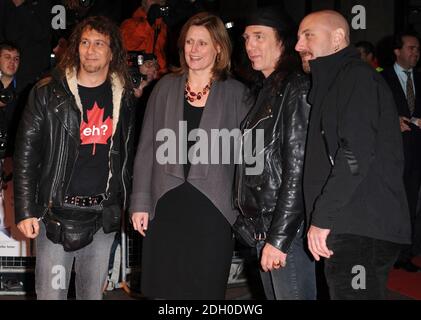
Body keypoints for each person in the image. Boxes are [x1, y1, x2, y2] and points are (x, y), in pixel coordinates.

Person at [13, 16, 141, 300]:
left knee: (91, 297)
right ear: (76, 47)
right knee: (50, 296)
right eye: (84, 42)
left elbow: (130, 157)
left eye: (99, 43)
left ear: (112, 52)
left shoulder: (124, 96)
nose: (90, 50)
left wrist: (132, 204)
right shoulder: (47, 92)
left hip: (101, 216)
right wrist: (24, 211)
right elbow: (26, 154)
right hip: (54, 215)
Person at [130, 12, 250, 299]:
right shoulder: (164, 88)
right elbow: (146, 148)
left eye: (203, 43)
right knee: (164, 290)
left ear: (219, 48)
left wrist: (247, 211)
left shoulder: (238, 94)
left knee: (205, 291)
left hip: (214, 208)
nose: (194, 50)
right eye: (189, 42)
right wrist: (139, 203)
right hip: (166, 203)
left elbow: (249, 158)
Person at [295, 10, 411, 299]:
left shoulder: (356, 78)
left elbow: (355, 154)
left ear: (337, 38)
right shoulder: (334, 82)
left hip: (359, 228)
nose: (298, 45)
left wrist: (321, 218)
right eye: (298, 37)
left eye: (308, 35)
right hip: (350, 226)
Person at [233, 7, 316, 300]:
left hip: (284, 232)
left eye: (259, 36)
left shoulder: (295, 87)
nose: (250, 45)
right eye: (246, 38)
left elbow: (298, 170)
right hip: (265, 229)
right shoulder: (268, 89)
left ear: (283, 41)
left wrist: (279, 239)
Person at [382, 32, 421, 272]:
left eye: (418, 49)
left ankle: (405, 253)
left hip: (417, 153)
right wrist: (391, 121)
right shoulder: (381, 78)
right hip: (393, 153)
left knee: (412, 204)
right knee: (394, 204)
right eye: (411, 48)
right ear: (397, 51)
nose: (415, 53)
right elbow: (371, 110)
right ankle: (390, 252)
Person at [120, 0, 167, 77]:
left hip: (155, 78)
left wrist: (161, 73)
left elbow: (162, 56)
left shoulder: (163, 27)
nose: (157, 3)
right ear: (143, 2)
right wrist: (148, 22)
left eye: (161, 1)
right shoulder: (128, 23)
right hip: (133, 76)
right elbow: (127, 44)